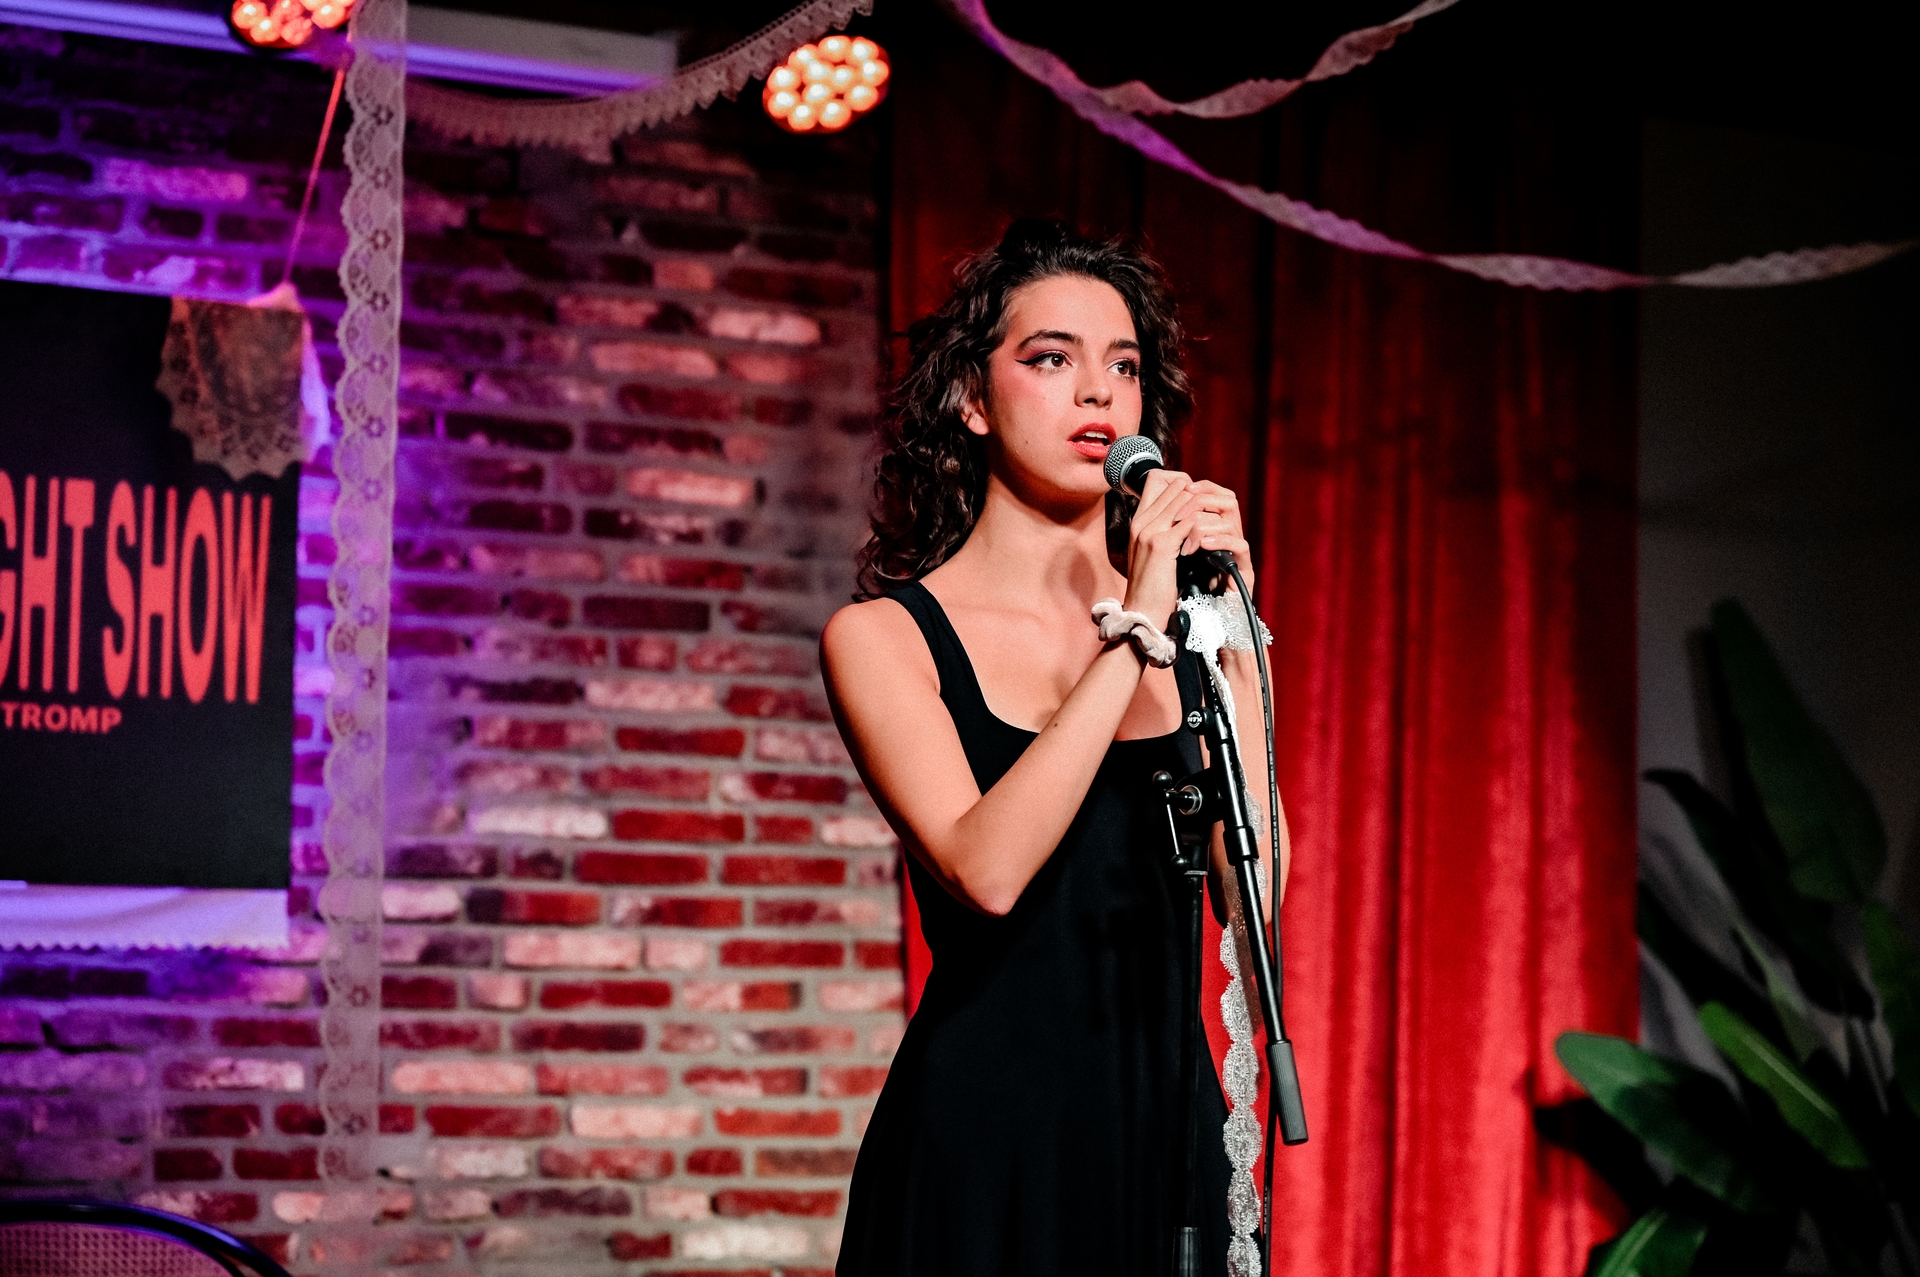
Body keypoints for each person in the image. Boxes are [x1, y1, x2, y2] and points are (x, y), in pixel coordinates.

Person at [823, 219, 1287, 1276]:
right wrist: (1139, 627)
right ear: (971, 399)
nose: (1098, 395)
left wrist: (1235, 641)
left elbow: (1255, 914)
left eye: (1123, 367)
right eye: (1050, 358)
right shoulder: (885, 638)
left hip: (1163, 1136)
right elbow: (987, 871)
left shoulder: (1186, 631)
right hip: (986, 1145)